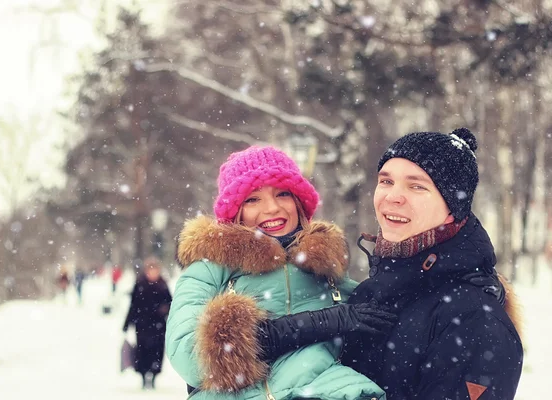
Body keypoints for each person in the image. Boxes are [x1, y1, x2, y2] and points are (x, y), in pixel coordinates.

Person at [251, 128, 524, 400]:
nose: (393, 196)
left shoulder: (473, 317)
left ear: (454, 207)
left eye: (417, 186)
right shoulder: (370, 293)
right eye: (386, 181)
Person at [166, 146, 393, 400]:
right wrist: (319, 323)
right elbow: (191, 359)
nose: (272, 208)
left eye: (283, 194)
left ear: (298, 202)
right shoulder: (210, 267)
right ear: (234, 212)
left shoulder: (324, 271)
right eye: (252, 199)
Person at [123, 256, 172, 389]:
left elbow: (170, 303)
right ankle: (144, 376)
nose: (152, 273)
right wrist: (127, 323)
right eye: (150, 270)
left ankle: (154, 375)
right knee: (142, 352)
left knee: (157, 352)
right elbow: (133, 306)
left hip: (158, 326)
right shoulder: (140, 284)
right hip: (143, 325)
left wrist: (164, 309)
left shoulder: (162, 285)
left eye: (154, 269)